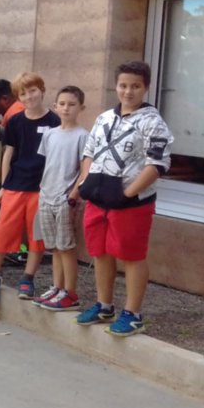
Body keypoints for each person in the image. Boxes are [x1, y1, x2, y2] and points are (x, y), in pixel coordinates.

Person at [75, 61, 173, 336]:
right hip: (98, 199)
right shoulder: (104, 117)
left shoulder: (153, 122)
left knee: (132, 256)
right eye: (123, 85)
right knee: (101, 252)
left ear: (146, 87)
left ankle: (133, 314)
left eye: (135, 86)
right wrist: (85, 183)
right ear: (116, 86)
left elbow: (158, 164)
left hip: (131, 203)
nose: (128, 91)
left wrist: (127, 194)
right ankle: (104, 305)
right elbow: (89, 152)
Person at [0, 72, 60, 306]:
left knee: (36, 237)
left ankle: (28, 278)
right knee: (2, 233)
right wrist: (3, 186)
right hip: (16, 185)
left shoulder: (54, 121)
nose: (29, 97)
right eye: (23, 93)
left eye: (32, 91)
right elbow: (9, 154)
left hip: (42, 188)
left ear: (42, 90)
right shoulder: (15, 121)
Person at [33, 86, 89, 312]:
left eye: (72, 104)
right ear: (55, 106)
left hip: (65, 199)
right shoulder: (50, 134)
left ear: (81, 108)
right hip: (46, 195)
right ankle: (57, 287)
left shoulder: (83, 136)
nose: (66, 108)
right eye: (62, 104)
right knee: (55, 247)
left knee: (66, 247)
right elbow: (48, 164)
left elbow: (84, 170)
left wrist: (73, 196)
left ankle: (70, 292)